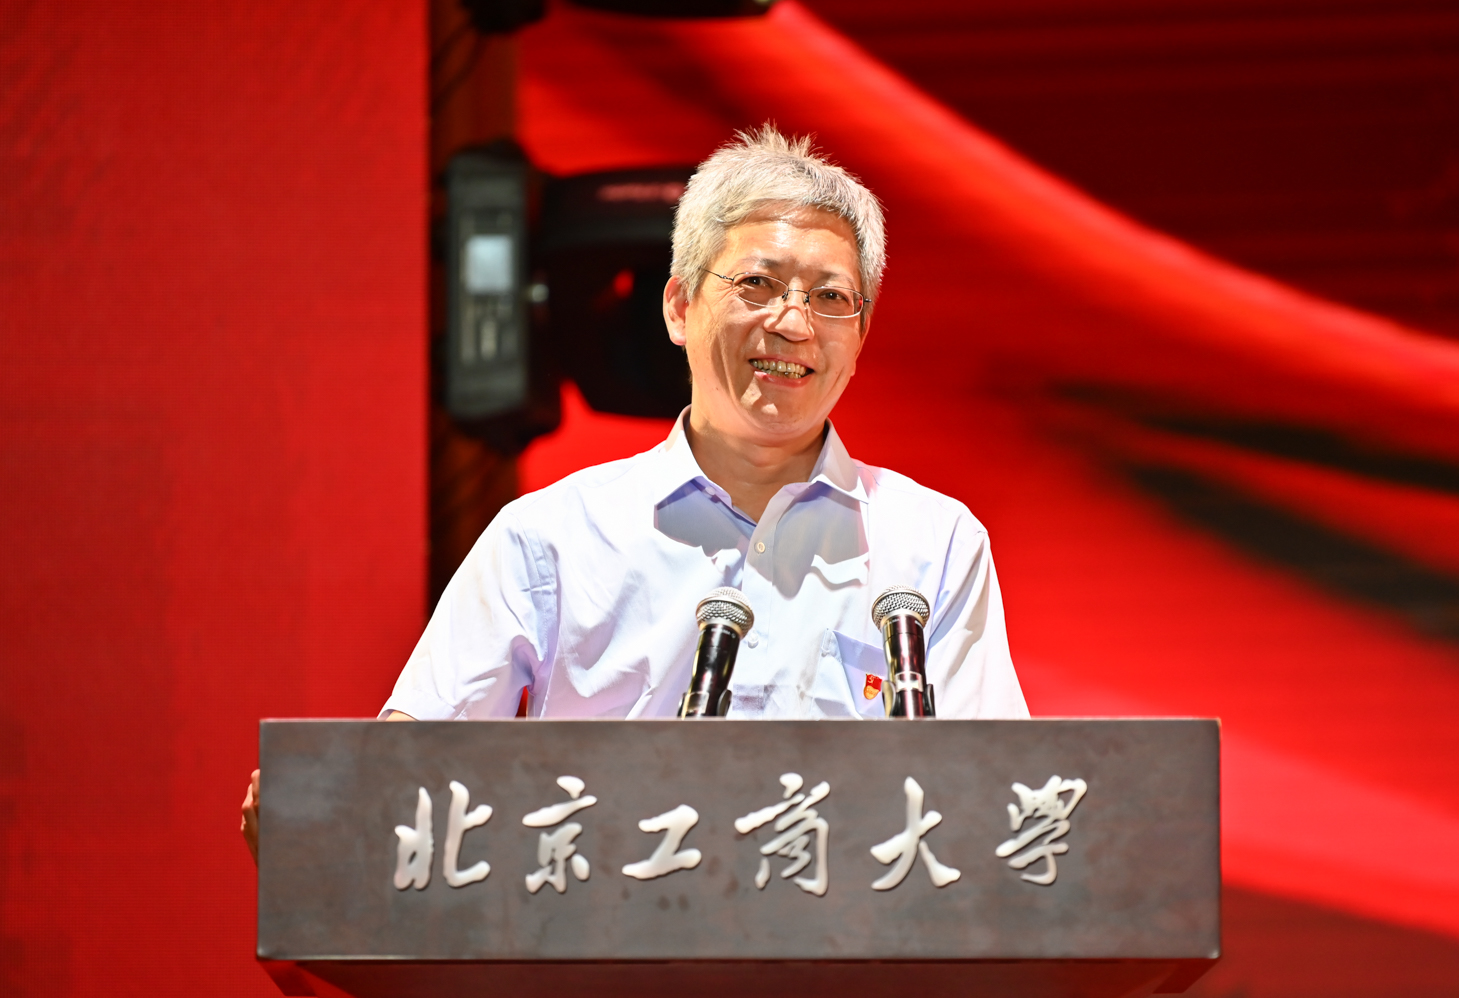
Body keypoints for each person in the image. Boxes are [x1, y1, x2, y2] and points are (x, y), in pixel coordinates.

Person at [241, 126, 1026, 859]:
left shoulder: (932, 544)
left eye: (830, 298)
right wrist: (325, 803)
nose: (794, 323)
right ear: (680, 307)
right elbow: (406, 771)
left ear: (859, 335)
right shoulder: (550, 537)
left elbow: (996, 803)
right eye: (759, 283)